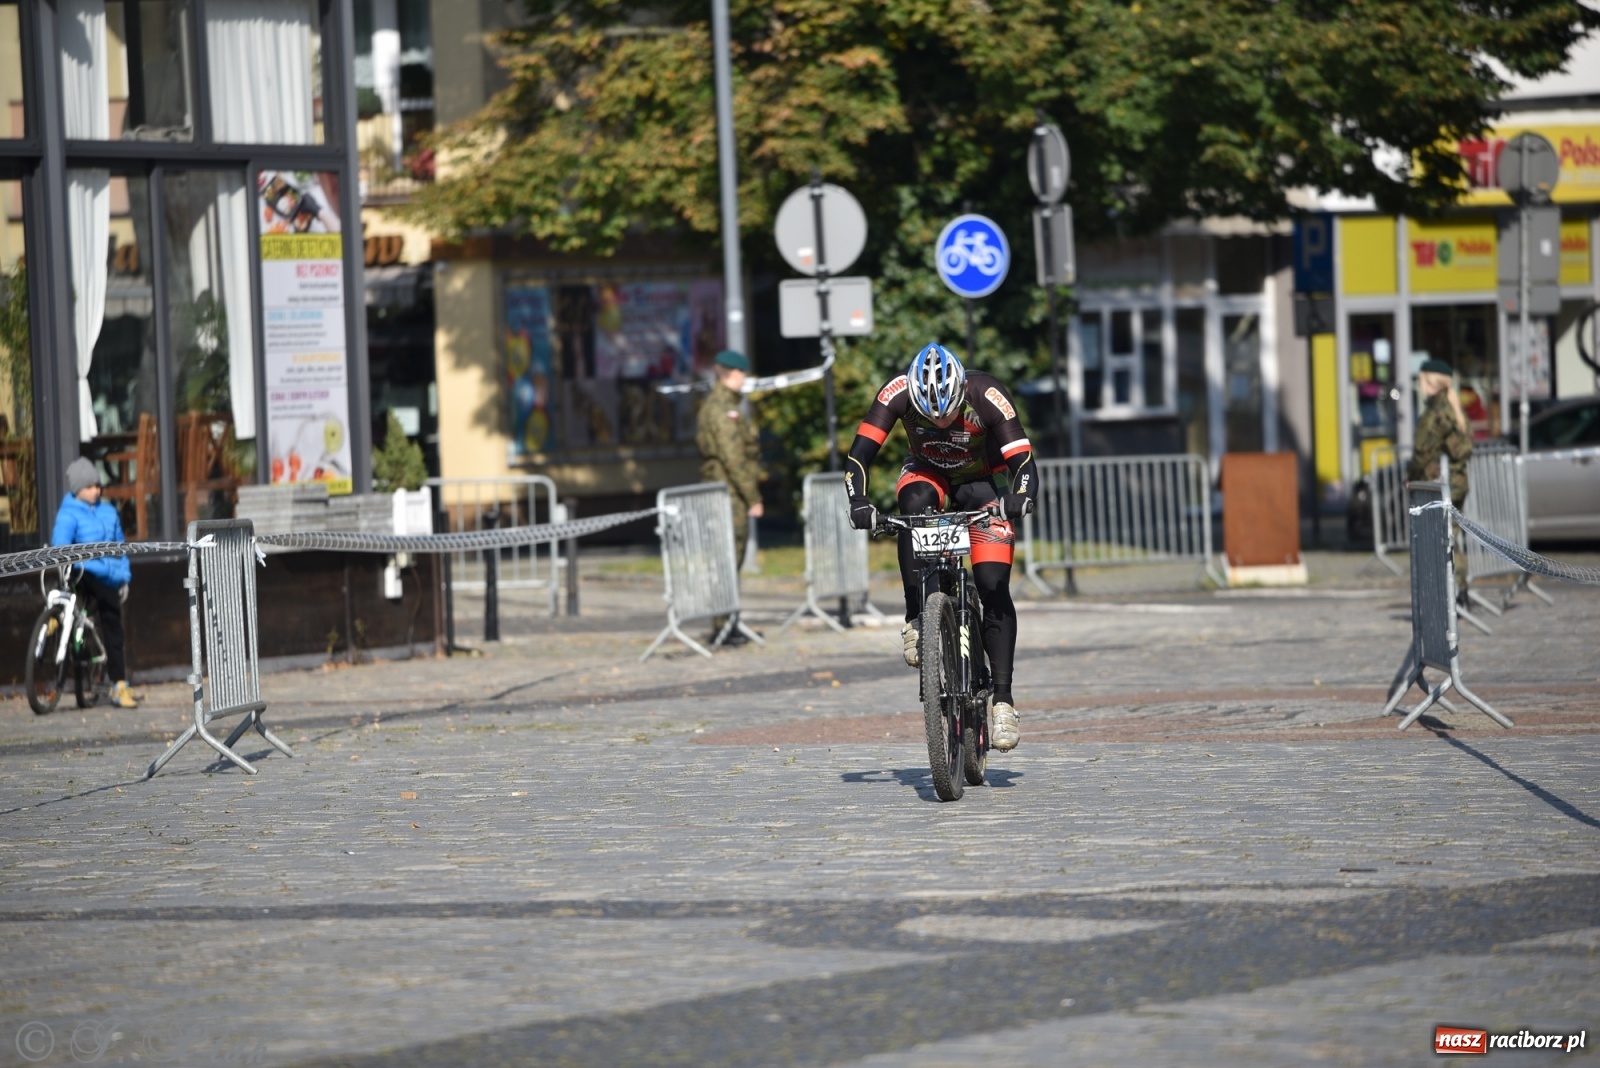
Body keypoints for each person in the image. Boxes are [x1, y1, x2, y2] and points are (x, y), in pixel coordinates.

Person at [844, 342, 1036, 751]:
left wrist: (1020, 496)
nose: (941, 420)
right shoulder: (895, 392)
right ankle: (917, 617)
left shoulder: (986, 394)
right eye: (930, 415)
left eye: (948, 413)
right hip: (927, 474)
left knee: (992, 583)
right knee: (911, 507)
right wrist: (858, 501)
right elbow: (859, 456)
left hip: (984, 484)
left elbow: (1023, 461)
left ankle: (1002, 700)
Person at [50, 457, 137, 708]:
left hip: (109, 575)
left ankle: (119, 683)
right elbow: (61, 545)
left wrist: (125, 577)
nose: (96, 491)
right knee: (72, 593)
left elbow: (120, 546)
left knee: (112, 625)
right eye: (89, 486)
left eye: (97, 485)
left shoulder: (108, 511)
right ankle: (58, 620)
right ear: (77, 489)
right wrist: (73, 559)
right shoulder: (68, 512)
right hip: (83, 571)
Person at [696, 349, 763, 642]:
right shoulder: (721, 409)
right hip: (728, 493)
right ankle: (723, 627)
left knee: (730, 559)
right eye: (742, 373)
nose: (745, 378)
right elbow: (733, 457)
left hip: (730, 492)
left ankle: (728, 623)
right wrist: (753, 497)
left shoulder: (726, 405)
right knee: (726, 559)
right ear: (731, 374)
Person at [1409, 358, 1472, 508]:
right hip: (1457, 484)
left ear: (1430, 384)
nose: (1420, 386)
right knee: (1451, 531)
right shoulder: (1456, 410)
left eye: (1421, 381)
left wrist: (1411, 479)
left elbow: (1421, 454)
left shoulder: (1434, 414)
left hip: (1435, 487)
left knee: (1432, 531)